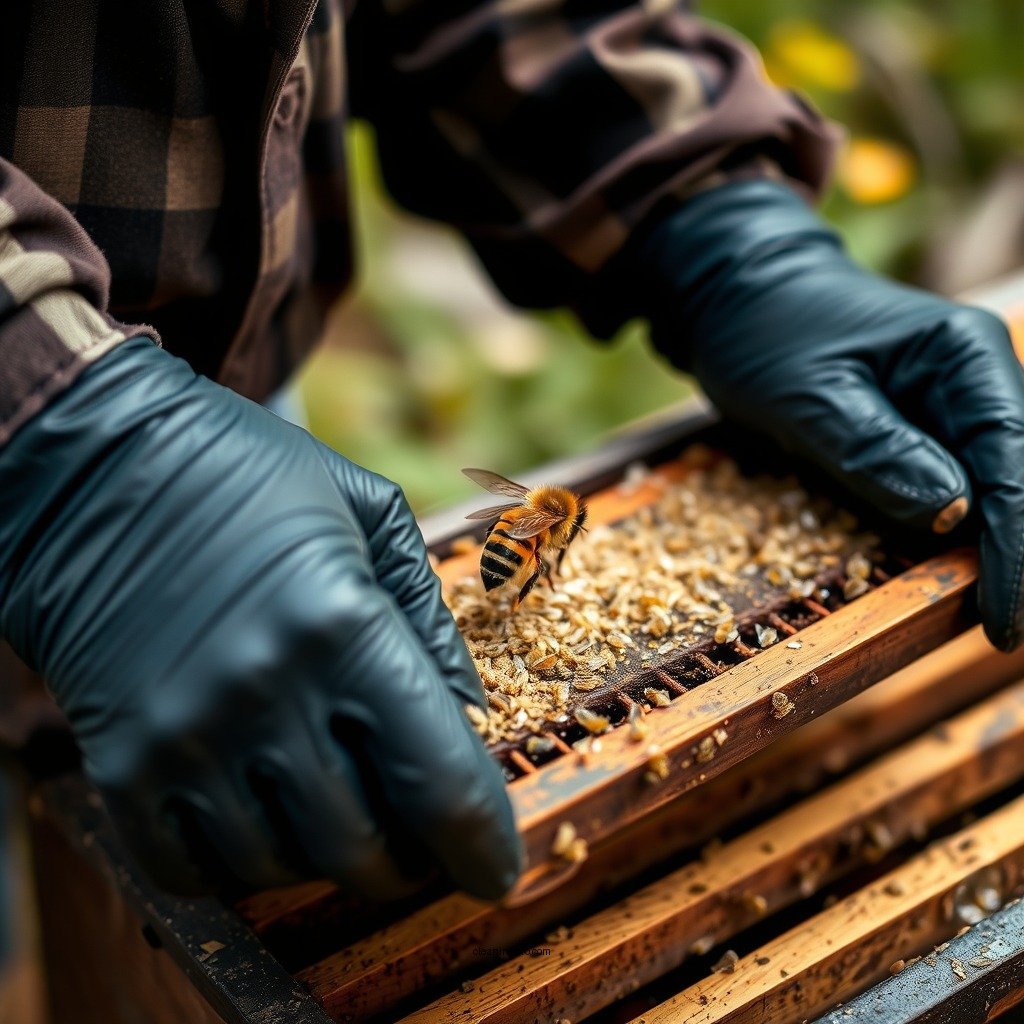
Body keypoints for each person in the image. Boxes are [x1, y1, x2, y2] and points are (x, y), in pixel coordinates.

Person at [1, 0, 1022, 907]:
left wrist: (707, 208)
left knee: (288, 816)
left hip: (216, 454)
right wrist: (64, 438)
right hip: (93, 464)